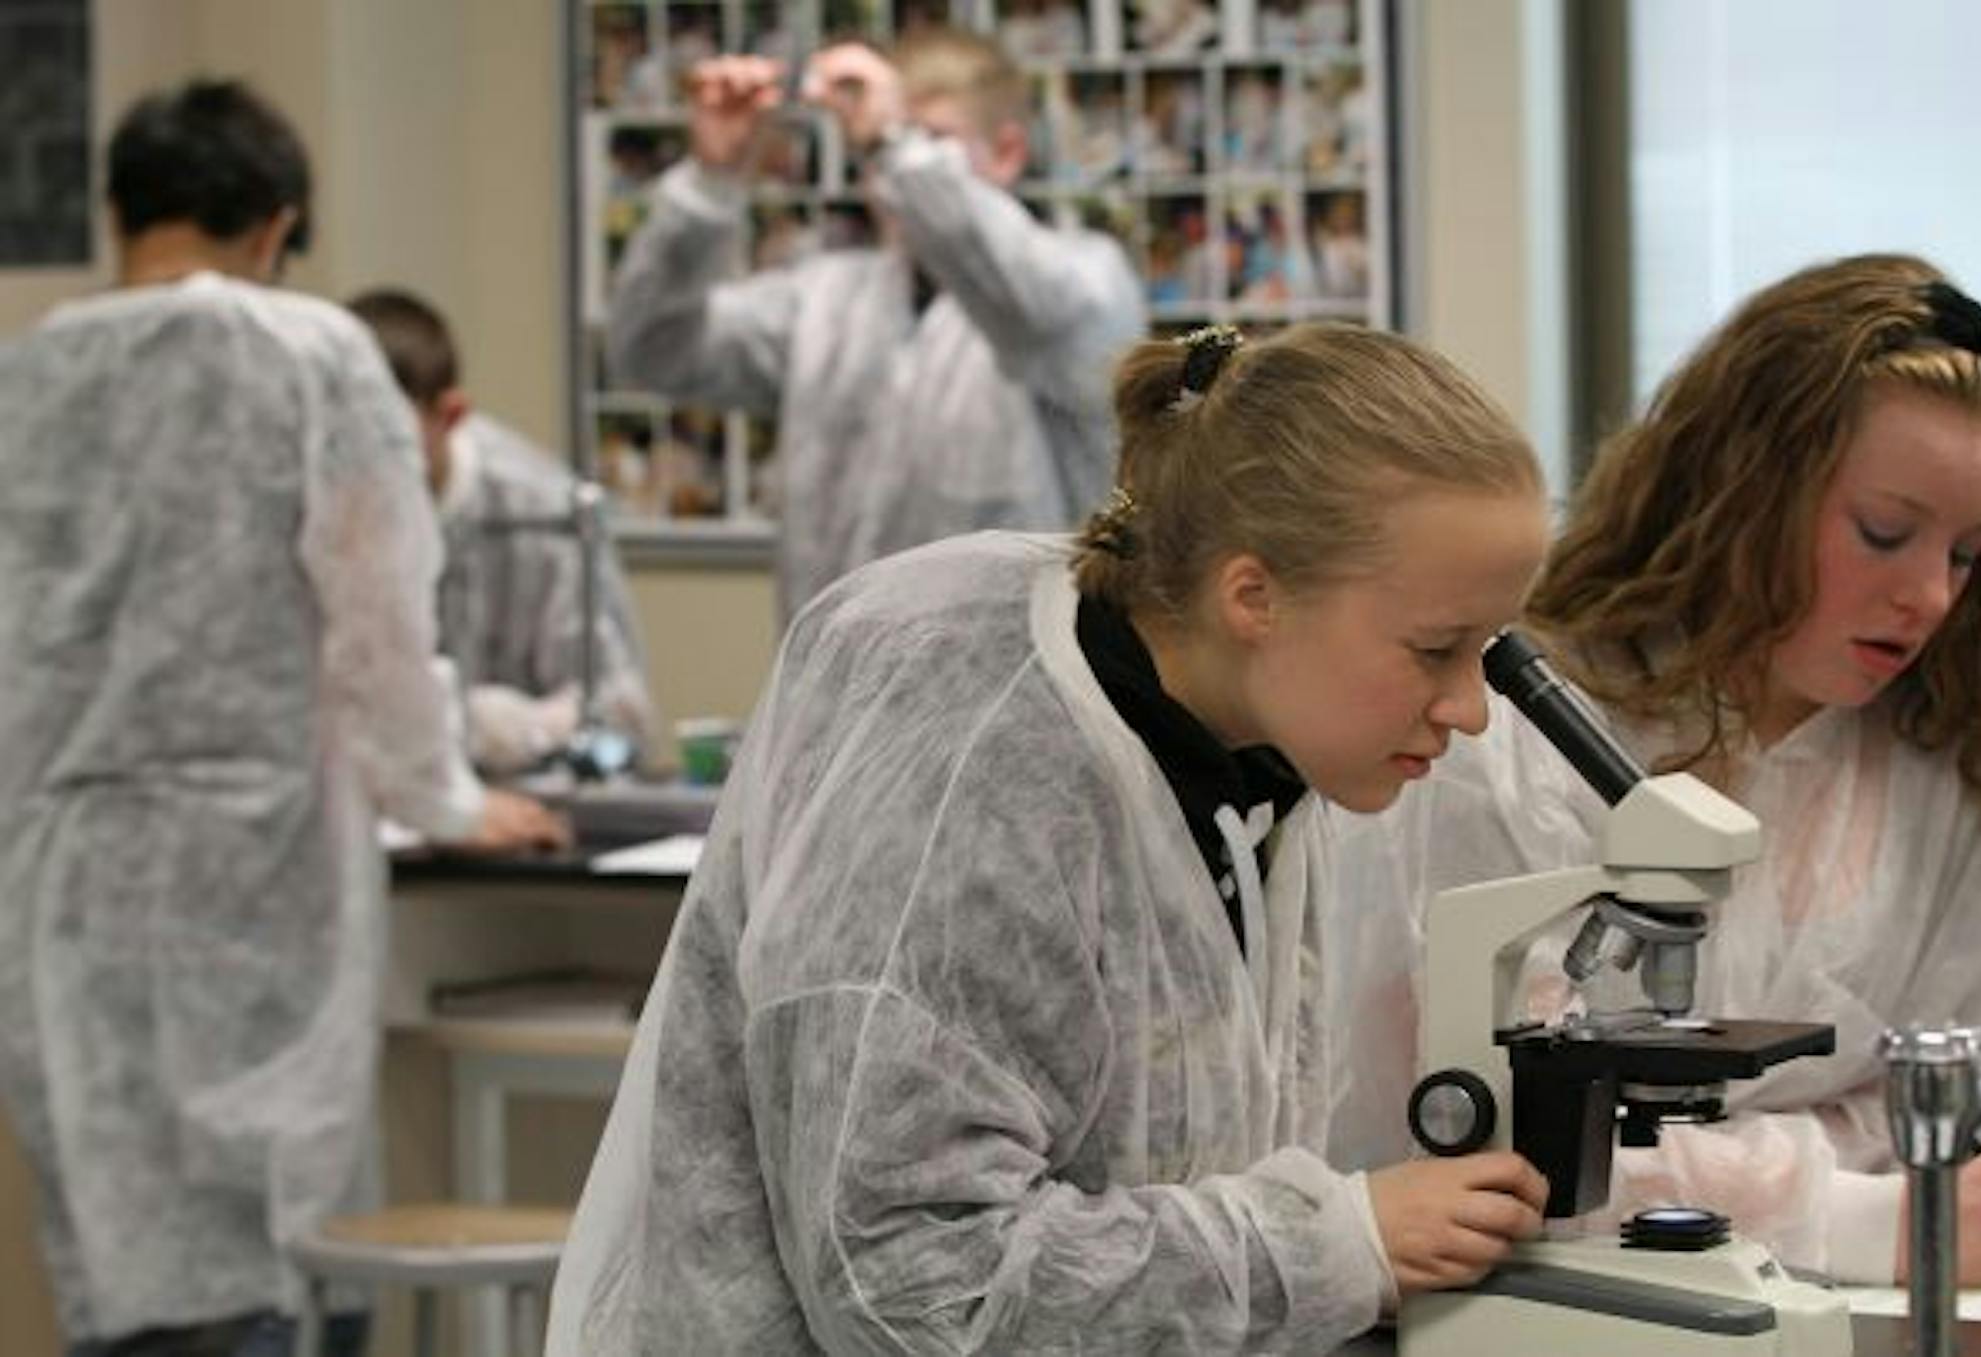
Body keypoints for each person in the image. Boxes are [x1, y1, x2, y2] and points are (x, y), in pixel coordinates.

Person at [546, 323, 1555, 1353]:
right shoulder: (976, 746)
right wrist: (1329, 1244)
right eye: (1436, 649)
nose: (1472, 709)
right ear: (1252, 594)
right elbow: (915, 1284)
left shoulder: (1254, 753)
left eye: (1488, 651)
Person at [1328, 253, 1981, 1287]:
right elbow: (1506, 1146)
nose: (1927, 595)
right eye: (1883, 532)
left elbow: (1946, 1112)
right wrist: (1848, 1210)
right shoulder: (1515, 732)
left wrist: (1736, 1177)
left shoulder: (1967, 772)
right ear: (1748, 487)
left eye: (1967, 553)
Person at [0, 79, 566, 1357]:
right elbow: (379, 617)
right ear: (275, 224)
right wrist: (452, 802)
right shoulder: (306, 352)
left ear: (119, 215)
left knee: (129, 1278)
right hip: (244, 883)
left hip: (54, 893)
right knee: (267, 1271)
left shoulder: (27, 374)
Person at [607, 25, 1145, 622]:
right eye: (875, 149)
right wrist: (710, 185)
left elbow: (1020, 296)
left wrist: (893, 139)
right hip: (836, 700)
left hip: (1019, 705)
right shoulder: (824, 299)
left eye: (933, 140)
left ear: (1008, 153)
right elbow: (653, 350)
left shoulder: (1083, 281)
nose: (894, 170)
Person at [347, 287, 663, 776]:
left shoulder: (544, 512)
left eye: (387, 439)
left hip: (523, 814)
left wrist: (515, 729)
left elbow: (620, 714)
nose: (362, 465)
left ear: (450, 414)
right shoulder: (314, 500)